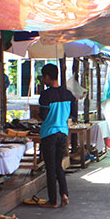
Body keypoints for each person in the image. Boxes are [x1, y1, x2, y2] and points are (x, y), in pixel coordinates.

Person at [38, 63, 76, 208]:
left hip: (49, 134)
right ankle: (64, 194)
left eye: (43, 77)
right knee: (58, 165)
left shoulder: (46, 95)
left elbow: (43, 115)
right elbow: (72, 114)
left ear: (47, 77)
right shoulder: (68, 94)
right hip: (63, 134)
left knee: (50, 168)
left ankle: (53, 201)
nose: (43, 79)